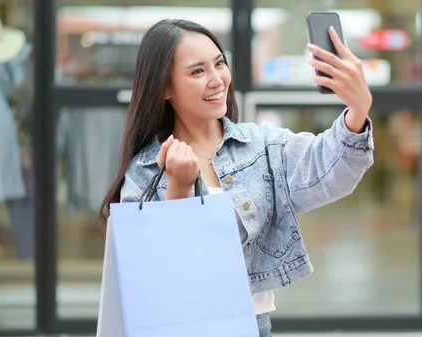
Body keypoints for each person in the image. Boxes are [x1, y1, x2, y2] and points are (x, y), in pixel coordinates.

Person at [100, 19, 374, 336]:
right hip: (177, 327)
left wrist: (357, 111)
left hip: (252, 324)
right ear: (164, 87)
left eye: (219, 63)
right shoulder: (146, 168)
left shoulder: (263, 147)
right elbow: (154, 271)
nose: (217, 80)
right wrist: (178, 188)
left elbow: (329, 172)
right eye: (197, 71)